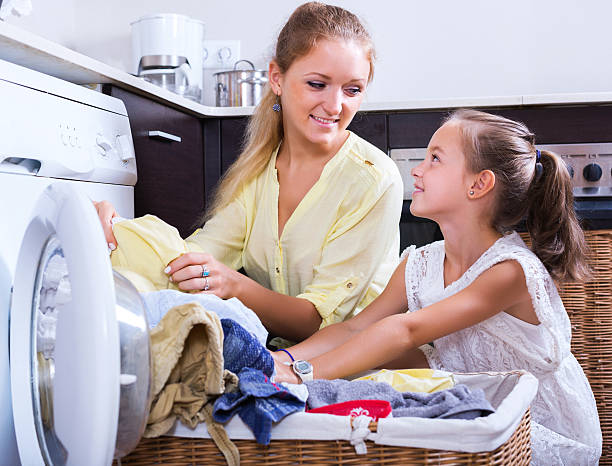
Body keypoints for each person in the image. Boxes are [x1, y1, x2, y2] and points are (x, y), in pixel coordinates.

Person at [272, 109, 602, 465]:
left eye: (435, 159)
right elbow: (355, 327)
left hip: (531, 426)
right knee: (372, 357)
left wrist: (299, 375)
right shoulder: (420, 265)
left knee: (391, 351)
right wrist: (282, 360)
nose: (417, 169)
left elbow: (407, 329)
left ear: (479, 184)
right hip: (469, 405)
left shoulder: (510, 271)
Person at [95, 2, 403, 342]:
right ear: (277, 78)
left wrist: (235, 286)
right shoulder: (258, 173)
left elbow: (320, 321)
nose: (335, 106)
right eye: (318, 84)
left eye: (352, 90)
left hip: (361, 361)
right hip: (283, 353)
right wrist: (115, 233)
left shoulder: (374, 180)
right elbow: (189, 261)